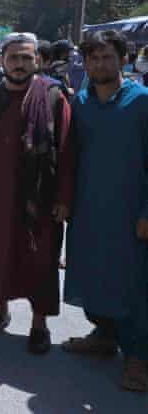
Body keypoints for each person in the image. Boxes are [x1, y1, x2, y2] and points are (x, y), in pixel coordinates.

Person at [0, 32, 72, 354]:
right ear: (2, 61)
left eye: (26, 58)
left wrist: (64, 197)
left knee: (41, 259)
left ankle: (39, 325)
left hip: (40, 194)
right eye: (14, 58)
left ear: (37, 60)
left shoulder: (52, 97)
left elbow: (66, 150)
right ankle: (0, 312)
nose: (20, 64)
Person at [60, 30, 148, 392]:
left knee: (134, 285)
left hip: (131, 212)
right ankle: (104, 335)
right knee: (93, 275)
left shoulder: (142, 102)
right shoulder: (81, 104)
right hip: (89, 210)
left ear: (123, 60)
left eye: (107, 57)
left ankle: (139, 358)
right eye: (92, 58)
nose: (99, 64)